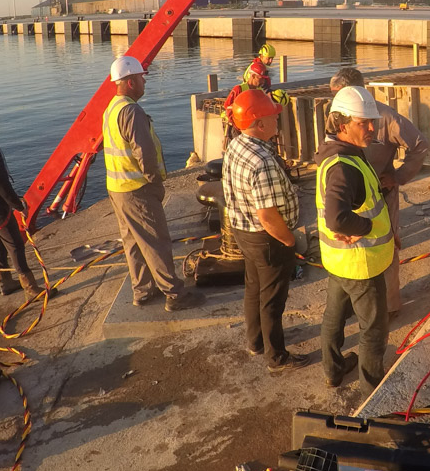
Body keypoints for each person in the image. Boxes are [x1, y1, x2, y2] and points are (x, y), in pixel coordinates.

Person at [329, 67, 428, 317]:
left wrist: (397, 176)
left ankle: (389, 306)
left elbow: (419, 145)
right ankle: (361, 302)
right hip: (350, 194)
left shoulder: (386, 118)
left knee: (386, 248)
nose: (337, 102)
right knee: (353, 251)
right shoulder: (336, 115)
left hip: (380, 196)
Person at [222, 89, 309, 372]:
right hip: (267, 238)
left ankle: (256, 342)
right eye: (273, 116)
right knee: (272, 299)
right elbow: (268, 216)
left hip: (243, 231)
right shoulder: (264, 163)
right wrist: (289, 241)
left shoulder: (237, 145)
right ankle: (276, 358)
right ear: (259, 123)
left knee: (254, 288)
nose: (277, 120)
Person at [103, 55, 199, 311]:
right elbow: (143, 151)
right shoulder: (131, 110)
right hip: (137, 190)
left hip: (117, 188)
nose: (144, 82)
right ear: (131, 81)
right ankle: (174, 294)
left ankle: (143, 291)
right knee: (156, 241)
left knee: (133, 242)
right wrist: (154, 181)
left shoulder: (112, 107)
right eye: (142, 77)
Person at [314, 85, 394, 389]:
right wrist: (366, 229)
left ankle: (333, 371)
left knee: (333, 317)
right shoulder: (345, 168)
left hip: (339, 260)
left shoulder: (339, 156)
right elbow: (337, 217)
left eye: (372, 122)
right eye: (364, 123)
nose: (372, 128)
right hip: (361, 264)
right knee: (374, 328)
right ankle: (372, 390)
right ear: (342, 124)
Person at [0, 106, 56, 303]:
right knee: (15, 244)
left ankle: (4, 281)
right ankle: (30, 287)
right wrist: (19, 205)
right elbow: (1, 185)